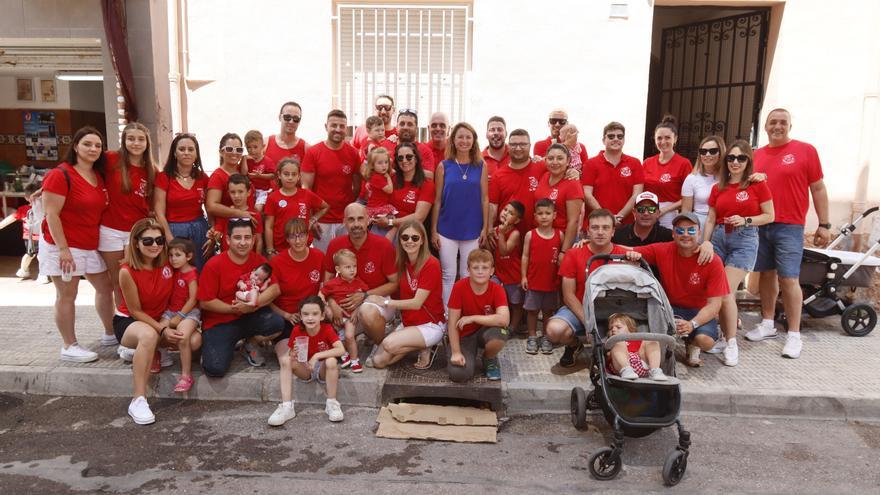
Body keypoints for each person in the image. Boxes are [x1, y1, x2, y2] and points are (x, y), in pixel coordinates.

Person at [746, 108, 830, 359]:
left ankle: (794, 334)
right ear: (766, 127)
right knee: (765, 275)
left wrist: (824, 224)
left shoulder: (805, 151)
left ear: (790, 126)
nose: (777, 126)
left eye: (783, 122)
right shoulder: (755, 155)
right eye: (773, 122)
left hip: (790, 225)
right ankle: (768, 324)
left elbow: (818, 188)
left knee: (789, 278)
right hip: (761, 224)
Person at [40, 126, 114, 363]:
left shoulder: (98, 175)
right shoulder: (61, 174)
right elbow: (51, 214)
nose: (93, 149)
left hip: (90, 244)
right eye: (87, 144)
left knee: (105, 286)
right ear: (75, 146)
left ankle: (110, 333)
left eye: (98, 146)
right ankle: (69, 345)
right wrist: (63, 249)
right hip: (64, 246)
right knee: (67, 295)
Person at [698, 140, 774, 367]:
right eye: (731, 158)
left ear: (748, 161)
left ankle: (731, 343)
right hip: (720, 237)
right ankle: (723, 336)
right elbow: (711, 218)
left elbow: (769, 215)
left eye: (741, 158)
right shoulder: (718, 187)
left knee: (725, 291)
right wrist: (706, 243)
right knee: (713, 290)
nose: (735, 162)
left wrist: (746, 220)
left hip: (745, 238)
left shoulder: (756, 184)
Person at [627, 212, 729, 367]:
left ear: (699, 233)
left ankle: (692, 342)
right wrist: (594, 244)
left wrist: (692, 324)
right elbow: (627, 249)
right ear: (673, 234)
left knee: (706, 342)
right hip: (671, 307)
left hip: (699, 311)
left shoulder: (713, 261)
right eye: (680, 231)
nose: (685, 234)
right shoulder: (663, 250)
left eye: (691, 230)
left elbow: (715, 305)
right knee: (650, 328)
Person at [198, 217, 283, 377]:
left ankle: (249, 344)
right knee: (214, 369)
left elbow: (275, 289)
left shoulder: (259, 261)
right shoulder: (214, 264)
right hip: (220, 322)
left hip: (249, 317)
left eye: (247, 237)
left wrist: (252, 305)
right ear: (228, 239)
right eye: (237, 237)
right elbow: (205, 302)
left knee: (277, 323)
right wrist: (235, 309)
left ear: (253, 240)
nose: (243, 242)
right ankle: (216, 347)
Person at [544, 209, 628, 367]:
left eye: (605, 227)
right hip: (580, 307)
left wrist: (635, 257)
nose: (600, 232)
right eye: (595, 228)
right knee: (554, 330)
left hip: (612, 309)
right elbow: (568, 295)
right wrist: (589, 323)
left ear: (613, 231)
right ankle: (574, 345)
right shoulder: (574, 254)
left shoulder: (623, 254)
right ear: (588, 231)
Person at [113, 218, 175, 424]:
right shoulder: (126, 271)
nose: (155, 245)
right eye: (148, 241)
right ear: (136, 243)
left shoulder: (168, 263)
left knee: (192, 342)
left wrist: (172, 322)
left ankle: (140, 351)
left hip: (160, 319)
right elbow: (135, 311)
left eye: (159, 240)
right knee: (148, 335)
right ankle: (138, 400)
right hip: (130, 321)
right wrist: (162, 329)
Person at [323, 203, 399, 367]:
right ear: (344, 222)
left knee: (367, 311)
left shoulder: (383, 245)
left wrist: (365, 295)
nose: (356, 224)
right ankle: (358, 333)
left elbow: (394, 284)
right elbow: (327, 281)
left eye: (360, 219)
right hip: (346, 302)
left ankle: (380, 342)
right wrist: (332, 304)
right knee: (326, 323)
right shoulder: (336, 244)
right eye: (351, 219)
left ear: (368, 220)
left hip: (377, 299)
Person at [267, 218, 324, 426]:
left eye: (301, 234)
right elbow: (269, 299)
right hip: (287, 318)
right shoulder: (278, 261)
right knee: (287, 359)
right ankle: (286, 405)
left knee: (312, 357)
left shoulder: (318, 256)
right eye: (292, 236)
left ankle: (320, 384)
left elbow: (324, 289)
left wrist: (315, 314)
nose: (298, 240)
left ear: (309, 235)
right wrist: (285, 315)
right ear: (287, 239)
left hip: (311, 318)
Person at [99, 122, 157, 320]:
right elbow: (80, 169)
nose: (136, 143)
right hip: (111, 229)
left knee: (137, 279)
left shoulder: (152, 170)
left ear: (147, 143)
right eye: (131, 138)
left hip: (137, 233)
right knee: (117, 281)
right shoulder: (110, 159)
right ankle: (123, 323)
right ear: (124, 141)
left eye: (141, 139)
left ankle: (139, 320)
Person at [370, 221, 446, 369]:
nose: (409, 241)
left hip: (430, 325)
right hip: (409, 323)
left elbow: (416, 303)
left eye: (415, 238)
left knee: (388, 344)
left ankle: (428, 345)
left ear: (422, 240)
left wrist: (385, 302)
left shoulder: (431, 264)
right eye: (405, 237)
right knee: (378, 362)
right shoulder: (402, 262)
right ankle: (420, 346)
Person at [432, 122, 490, 305]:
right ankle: (448, 316)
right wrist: (433, 229)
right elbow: (438, 199)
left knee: (467, 274)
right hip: (447, 228)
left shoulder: (481, 165)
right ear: (453, 140)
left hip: (472, 228)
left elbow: (485, 198)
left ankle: (466, 313)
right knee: (448, 274)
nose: (464, 141)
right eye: (460, 137)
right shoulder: (444, 166)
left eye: (468, 137)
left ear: (473, 141)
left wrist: (485, 228)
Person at [301, 109, 362, 252]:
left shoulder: (353, 153)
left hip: (344, 220)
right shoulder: (313, 152)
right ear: (326, 127)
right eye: (333, 125)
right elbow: (305, 189)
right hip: (321, 221)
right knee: (323, 263)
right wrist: (311, 219)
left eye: (342, 126)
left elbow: (357, 186)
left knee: (346, 262)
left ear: (346, 129)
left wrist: (348, 209)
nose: (338, 129)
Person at [447, 249, 510, 382]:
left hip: (486, 330)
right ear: (468, 269)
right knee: (459, 375)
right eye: (475, 267)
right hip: (464, 334)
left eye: (485, 267)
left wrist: (472, 318)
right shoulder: (459, 287)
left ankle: (489, 358)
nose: (480, 271)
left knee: (500, 334)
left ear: (492, 271)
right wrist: (456, 352)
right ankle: (467, 353)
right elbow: (452, 323)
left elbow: (504, 319)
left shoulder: (497, 289)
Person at [154, 133, 210, 270]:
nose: (186, 153)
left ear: (196, 154)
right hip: (174, 230)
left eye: (191, 149)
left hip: (199, 230)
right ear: (174, 153)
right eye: (182, 149)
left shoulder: (203, 177)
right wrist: (169, 238)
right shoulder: (164, 177)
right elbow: (159, 211)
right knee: (178, 273)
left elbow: (209, 208)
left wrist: (212, 233)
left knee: (200, 269)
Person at [286, 296, 346, 422]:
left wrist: (316, 356)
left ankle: (332, 404)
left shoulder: (327, 329)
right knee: (286, 360)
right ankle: (286, 406)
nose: (310, 318)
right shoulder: (297, 330)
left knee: (331, 360)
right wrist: (293, 354)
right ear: (300, 316)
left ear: (322, 316)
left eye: (315, 314)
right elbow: (290, 354)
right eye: (306, 314)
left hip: (324, 370)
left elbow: (341, 350)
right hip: (306, 368)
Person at [263, 157, 328, 257]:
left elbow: (325, 207)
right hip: (280, 248)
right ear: (279, 175)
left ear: (298, 177)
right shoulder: (273, 198)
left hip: (302, 246)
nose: (290, 177)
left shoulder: (306, 194)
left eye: (294, 174)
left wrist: (313, 219)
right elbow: (269, 226)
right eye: (286, 174)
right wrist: (270, 249)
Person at [582, 122, 644, 226]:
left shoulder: (635, 163)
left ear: (624, 140)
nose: (616, 139)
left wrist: (619, 217)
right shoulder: (590, 163)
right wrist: (607, 218)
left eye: (620, 136)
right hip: (597, 224)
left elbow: (637, 194)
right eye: (611, 136)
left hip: (625, 224)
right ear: (603, 140)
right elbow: (587, 195)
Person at [521, 199, 562, 355]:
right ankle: (532, 336)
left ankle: (546, 337)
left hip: (551, 283)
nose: (544, 216)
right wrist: (524, 276)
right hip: (533, 281)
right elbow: (525, 256)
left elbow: (561, 259)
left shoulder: (560, 235)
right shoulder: (530, 235)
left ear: (554, 215)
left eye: (547, 213)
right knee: (532, 311)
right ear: (535, 216)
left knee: (547, 311)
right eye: (540, 214)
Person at [163, 238, 202, 393]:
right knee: (158, 330)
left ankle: (186, 375)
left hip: (189, 312)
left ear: (189, 256)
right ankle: (159, 356)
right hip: (170, 311)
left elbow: (193, 299)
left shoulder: (191, 273)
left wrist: (180, 315)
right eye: (171, 255)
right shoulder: (171, 271)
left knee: (182, 335)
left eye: (178, 255)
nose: (173, 258)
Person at [321, 249, 369, 373]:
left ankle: (354, 360)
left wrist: (357, 310)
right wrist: (326, 307)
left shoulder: (359, 283)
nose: (352, 270)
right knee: (332, 336)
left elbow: (365, 298)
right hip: (335, 318)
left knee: (348, 336)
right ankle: (344, 354)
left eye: (354, 266)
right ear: (338, 269)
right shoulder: (332, 284)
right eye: (348, 267)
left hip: (349, 317)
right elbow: (321, 294)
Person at [488, 129, 544, 237]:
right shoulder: (498, 175)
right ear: (508, 146)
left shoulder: (542, 167)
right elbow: (493, 207)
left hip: (537, 236)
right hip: (507, 239)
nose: (518, 148)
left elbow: (560, 171)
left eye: (523, 144)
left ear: (530, 146)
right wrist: (489, 228)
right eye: (514, 144)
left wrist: (573, 172)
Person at [642, 115, 693, 228]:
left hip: (669, 214)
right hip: (646, 212)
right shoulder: (647, 162)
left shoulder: (684, 163)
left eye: (667, 138)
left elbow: (688, 198)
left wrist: (665, 209)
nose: (663, 141)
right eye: (659, 138)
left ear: (675, 139)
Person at [534, 143, 584, 252]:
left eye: (560, 158)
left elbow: (573, 221)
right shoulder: (544, 176)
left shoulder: (572, 183)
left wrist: (564, 251)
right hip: (542, 236)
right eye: (551, 158)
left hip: (562, 240)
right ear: (546, 160)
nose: (555, 162)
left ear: (568, 161)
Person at [491, 201, 525, 337]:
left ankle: (512, 328)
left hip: (513, 274)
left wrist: (501, 234)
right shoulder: (495, 229)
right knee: (494, 297)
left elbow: (504, 251)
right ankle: (495, 324)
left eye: (511, 213)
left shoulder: (515, 233)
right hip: (498, 273)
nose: (506, 213)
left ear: (516, 220)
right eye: (505, 209)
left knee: (516, 303)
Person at [206, 133, 255, 223]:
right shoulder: (217, 176)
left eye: (239, 150)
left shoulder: (244, 170)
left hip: (249, 228)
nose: (234, 152)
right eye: (229, 149)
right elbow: (211, 206)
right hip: (229, 229)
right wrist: (241, 213)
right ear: (221, 152)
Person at [209, 174, 263, 254]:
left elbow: (259, 241)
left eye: (240, 192)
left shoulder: (255, 215)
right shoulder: (224, 213)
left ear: (248, 192)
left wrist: (257, 261)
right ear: (228, 193)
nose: (236, 196)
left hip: (248, 259)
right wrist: (213, 236)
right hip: (227, 259)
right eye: (233, 192)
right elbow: (218, 237)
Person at [606, 313, 667, 381]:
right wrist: (609, 354)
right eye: (610, 328)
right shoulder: (610, 344)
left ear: (631, 330)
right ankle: (627, 369)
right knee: (618, 341)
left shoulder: (638, 340)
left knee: (652, 340)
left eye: (618, 327)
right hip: (621, 367)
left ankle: (655, 370)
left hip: (642, 364)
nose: (613, 330)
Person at [681, 135, 725, 227]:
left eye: (713, 151)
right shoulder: (691, 179)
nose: (707, 155)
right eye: (703, 151)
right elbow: (686, 212)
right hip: (700, 224)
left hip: (724, 224)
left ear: (721, 153)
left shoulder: (729, 177)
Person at [1, 183, 41, 281]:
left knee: (33, 255)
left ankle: (28, 271)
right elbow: (11, 218)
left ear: (25, 197)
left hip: (35, 237)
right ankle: (30, 271)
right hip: (34, 237)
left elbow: (11, 218)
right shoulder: (26, 210)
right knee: (35, 255)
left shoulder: (25, 209)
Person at [380, 109, 435, 175]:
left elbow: (430, 176)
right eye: (402, 124)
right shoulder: (384, 147)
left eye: (410, 124)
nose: (405, 127)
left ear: (416, 129)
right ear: (397, 127)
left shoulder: (425, 151)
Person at [362, 147, 397, 238]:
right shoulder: (377, 178)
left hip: (379, 204)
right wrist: (388, 177)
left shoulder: (378, 175)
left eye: (386, 162)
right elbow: (389, 190)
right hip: (377, 207)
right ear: (372, 165)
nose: (384, 166)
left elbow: (393, 170)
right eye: (380, 163)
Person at [243, 129, 277, 211]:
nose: (252, 150)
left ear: (263, 146)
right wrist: (243, 159)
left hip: (263, 191)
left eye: (255, 147)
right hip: (250, 190)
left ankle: (260, 222)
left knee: (257, 208)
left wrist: (260, 176)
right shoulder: (247, 160)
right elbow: (243, 173)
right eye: (249, 148)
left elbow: (273, 175)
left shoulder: (267, 161)